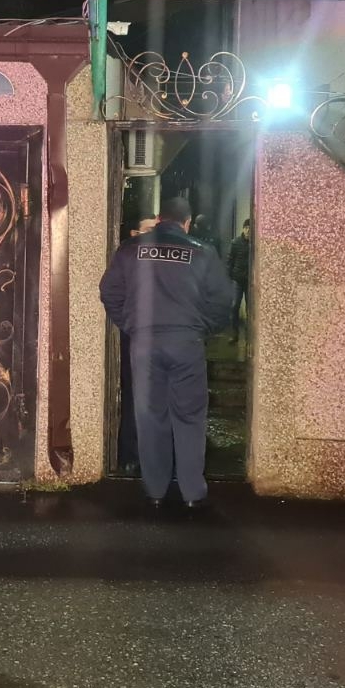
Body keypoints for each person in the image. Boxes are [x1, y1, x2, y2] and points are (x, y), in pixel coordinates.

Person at [99, 197, 234, 511]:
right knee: (189, 416)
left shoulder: (129, 250)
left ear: (159, 219)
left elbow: (110, 293)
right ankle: (192, 492)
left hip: (144, 343)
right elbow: (222, 300)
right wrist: (202, 329)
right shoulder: (202, 252)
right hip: (186, 342)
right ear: (186, 223)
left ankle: (156, 489)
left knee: (150, 417)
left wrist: (131, 325)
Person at [116, 217, 160, 476]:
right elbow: (112, 294)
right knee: (134, 396)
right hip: (136, 338)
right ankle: (131, 455)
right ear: (135, 233)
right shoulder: (126, 259)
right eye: (150, 229)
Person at [227, 218, 253, 344]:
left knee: (250, 308)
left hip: (250, 282)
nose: (248, 230)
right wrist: (230, 276)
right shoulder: (235, 242)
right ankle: (234, 334)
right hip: (237, 280)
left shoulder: (255, 244)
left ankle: (250, 335)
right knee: (234, 306)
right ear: (243, 229)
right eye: (246, 228)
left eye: (250, 228)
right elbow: (229, 260)